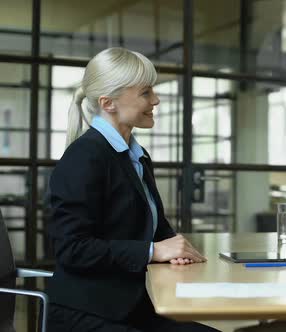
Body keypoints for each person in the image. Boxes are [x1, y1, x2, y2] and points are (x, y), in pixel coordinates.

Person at [46, 48, 218, 331]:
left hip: (129, 306)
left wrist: (176, 248)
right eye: (146, 93)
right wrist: (153, 251)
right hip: (87, 314)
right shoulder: (85, 157)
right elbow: (72, 249)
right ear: (108, 103)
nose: (156, 100)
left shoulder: (134, 155)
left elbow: (156, 229)